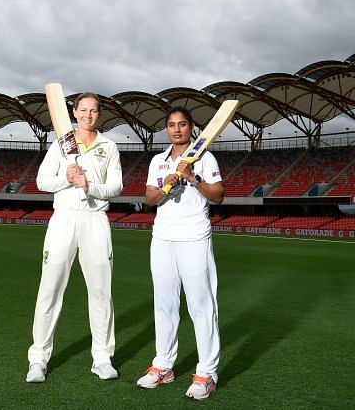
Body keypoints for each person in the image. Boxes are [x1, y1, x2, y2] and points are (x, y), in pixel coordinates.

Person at [26, 92, 123, 383]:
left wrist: (89, 184)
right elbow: (42, 181)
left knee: (101, 293)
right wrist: (66, 179)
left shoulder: (109, 146)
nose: (88, 115)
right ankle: (38, 360)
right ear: (75, 112)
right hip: (64, 220)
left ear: (99, 114)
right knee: (50, 290)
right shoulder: (60, 144)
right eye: (83, 110)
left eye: (93, 111)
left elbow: (116, 186)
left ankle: (102, 358)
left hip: (96, 221)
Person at [136, 106, 225, 400]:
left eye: (182, 124)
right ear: (167, 129)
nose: (177, 129)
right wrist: (166, 185)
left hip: (194, 237)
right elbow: (149, 199)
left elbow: (219, 195)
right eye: (172, 125)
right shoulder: (158, 160)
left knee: (201, 305)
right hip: (162, 237)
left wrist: (191, 177)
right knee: (164, 304)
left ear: (191, 127)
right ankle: (164, 365)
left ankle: (207, 373)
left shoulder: (205, 157)